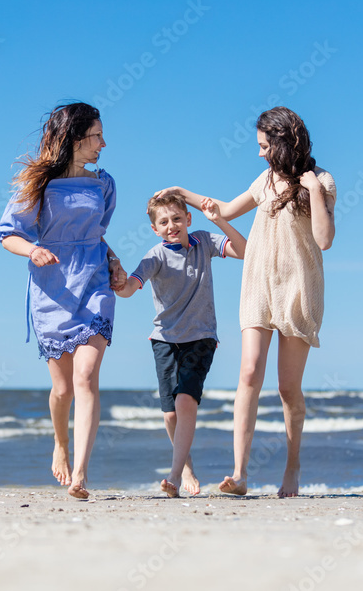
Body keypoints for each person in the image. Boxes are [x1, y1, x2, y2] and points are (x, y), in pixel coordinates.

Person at [156, 106, 336, 497]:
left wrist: (316, 191)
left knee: (288, 388)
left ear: (282, 140)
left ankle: (292, 465)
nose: (259, 153)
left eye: (263, 145)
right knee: (250, 373)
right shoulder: (265, 180)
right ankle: (239, 474)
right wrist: (182, 192)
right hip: (258, 283)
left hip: (299, 289)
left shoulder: (320, 181)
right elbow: (222, 209)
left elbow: (324, 239)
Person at [0, 102, 127, 499]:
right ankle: (60, 443)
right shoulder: (37, 184)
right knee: (62, 390)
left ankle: (81, 474)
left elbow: (97, 234)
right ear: (74, 137)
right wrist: (31, 251)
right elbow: (7, 233)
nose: (103, 143)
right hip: (52, 287)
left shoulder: (104, 184)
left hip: (95, 285)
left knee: (86, 376)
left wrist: (114, 260)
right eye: (96, 135)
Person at [115, 193, 246, 497]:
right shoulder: (154, 257)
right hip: (164, 340)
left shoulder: (204, 241)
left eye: (177, 218)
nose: (172, 225)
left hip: (201, 336)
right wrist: (119, 284)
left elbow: (245, 251)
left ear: (188, 219)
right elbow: (131, 287)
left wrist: (219, 220)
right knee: (171, 414)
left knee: (185, 401)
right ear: (155, 229)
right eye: (164, 221)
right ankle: (185, 466)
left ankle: (173, 476)